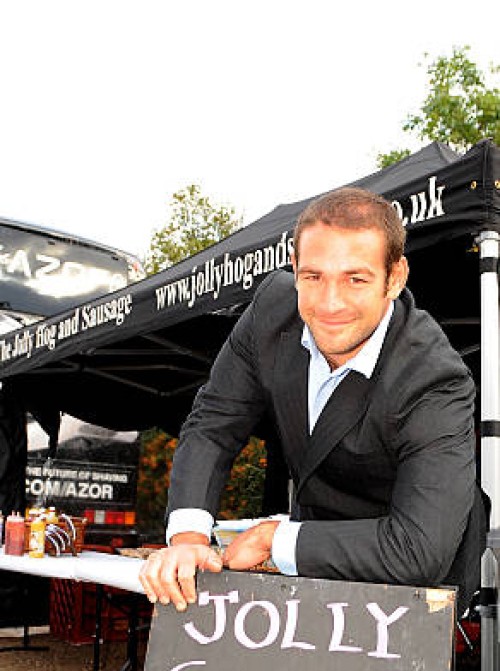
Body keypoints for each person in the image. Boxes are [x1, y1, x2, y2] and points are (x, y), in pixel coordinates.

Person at [140, 187, 485, 615]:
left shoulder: (435, 378)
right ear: (294, 267)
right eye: (313, 276)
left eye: (355, 279)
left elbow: (417, 549)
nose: (329, 303)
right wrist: (189, 537)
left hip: (414, 573)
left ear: (395, 278)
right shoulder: (270, 310)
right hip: (312, 548)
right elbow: (213, 423)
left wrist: (274, 538)